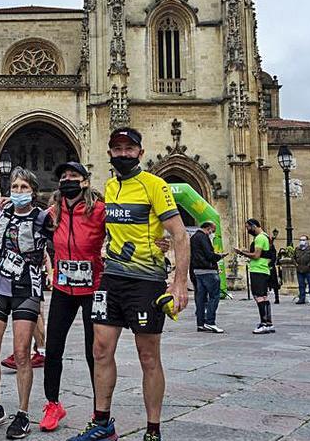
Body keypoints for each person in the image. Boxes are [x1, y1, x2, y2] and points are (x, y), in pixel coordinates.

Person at [68, 128, 189, 441]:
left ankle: (152, 429)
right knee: (100, 349)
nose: (123, 153)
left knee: (148, 356)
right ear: (109, 153)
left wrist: (178, 283)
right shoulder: (111, 186)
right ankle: (102, 424)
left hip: (146, 282)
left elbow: (179, 234)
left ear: (140, 152)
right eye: (117, 148)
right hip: (112, 278)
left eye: (129, 148)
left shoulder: (154, 185)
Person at [0, 167, 52, 438]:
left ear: (33, 191)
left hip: (27, 289)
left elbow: (64, 240)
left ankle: (23, 413)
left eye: (23, 187)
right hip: (0, 287)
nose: (18, 192)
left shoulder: (43, 218)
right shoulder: (2, 214)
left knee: (21, 354)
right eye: (14, 187)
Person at [39, 161, 104, 432]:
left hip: (94, 288)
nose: (68, 180)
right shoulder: (52, 213)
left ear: (85, 181)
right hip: (64, 289)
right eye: (64, 176)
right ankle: (53, 405)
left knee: (95, 352)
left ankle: (100, 410)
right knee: (53, 349)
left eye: (73, 176)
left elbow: (126, 232)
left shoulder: (100, 211)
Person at [235, 219, 274, 334]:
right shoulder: (266, 236)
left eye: (248, 227)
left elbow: (256, 256)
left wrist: (242, 253)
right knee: (264, 297)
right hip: (264, 269)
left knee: (259, 296)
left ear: (254, 226)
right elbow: (262, 254)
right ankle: (268, 323)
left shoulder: (259, 238)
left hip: (258, 269)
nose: (247, 230)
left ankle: (263, 323)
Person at [190, 221, 225, 333]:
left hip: (197, 271)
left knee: (200, 298)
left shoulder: (194, 237)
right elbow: (208, 254)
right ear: (208, 228)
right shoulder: (203, 237)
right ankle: (210, 322)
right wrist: (219, 256)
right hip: (207, 270)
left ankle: (200, 324)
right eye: (212, 231)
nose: (212, 233)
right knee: (214, 296)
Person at [293, 235, 310, 305]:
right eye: (301, 240)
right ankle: (301, 299)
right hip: (299, 270)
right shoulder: (297, 249)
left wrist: (309, 265)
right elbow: (293, 258)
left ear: (307, 241)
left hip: (308, 270)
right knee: (301, 285)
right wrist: (296, 265)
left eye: (304, 240)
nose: (302, 241)